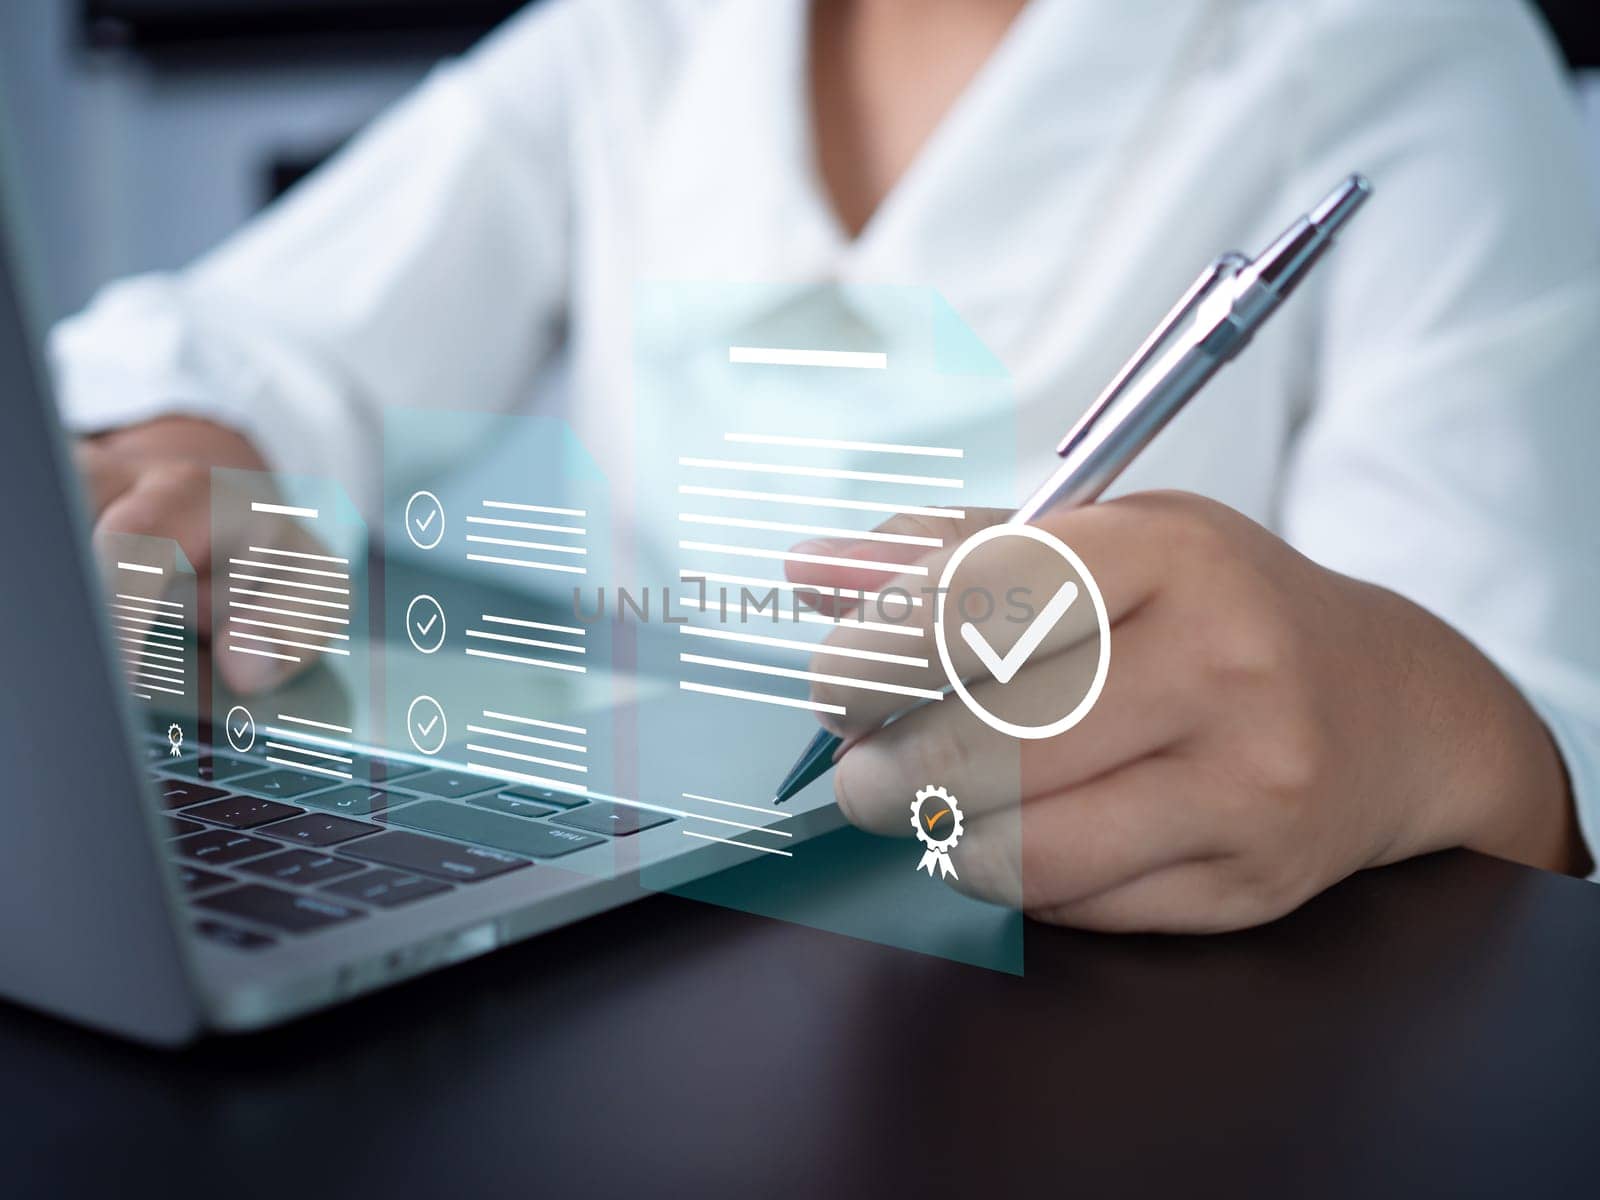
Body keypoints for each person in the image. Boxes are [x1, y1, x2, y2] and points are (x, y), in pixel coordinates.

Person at [53, 0, 1600, 930]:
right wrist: (195, 451)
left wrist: (1410, 730)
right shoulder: (642, 33)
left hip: (1109, 1029)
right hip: (634, 929)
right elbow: (252, 340)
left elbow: (1533, 745)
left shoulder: (1407, 49)